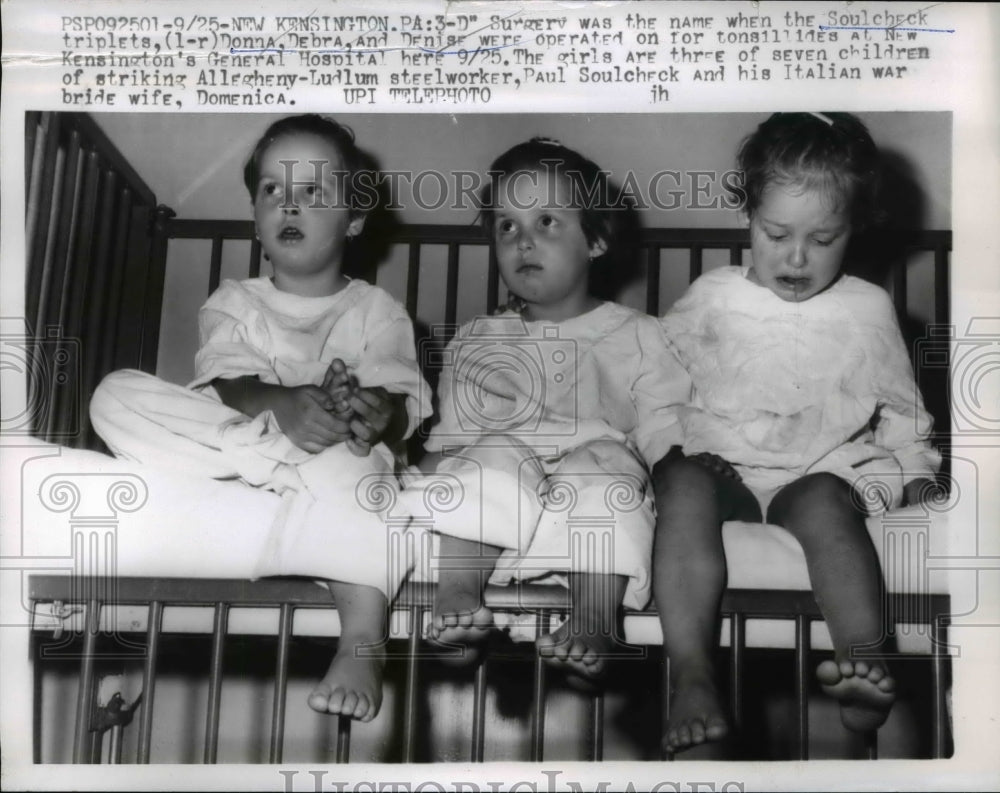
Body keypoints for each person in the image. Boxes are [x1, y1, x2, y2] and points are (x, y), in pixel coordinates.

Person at [90, 114, 431, 722]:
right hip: (244, 453)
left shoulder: (378, 310)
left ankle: (360, 640)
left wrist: (372, 414)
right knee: (114, 393)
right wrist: (285, 410)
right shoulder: (234, 300)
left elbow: (400, 406)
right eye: (273, 190)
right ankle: (279, 460)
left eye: (312, 192)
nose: (288, 205)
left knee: (362, 473)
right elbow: (226, 383)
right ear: (256, 215)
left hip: (333, 466)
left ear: (354, 219)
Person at [652, 112, 941, 754]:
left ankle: (864, 664)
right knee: (681, 483)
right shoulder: (711, 297)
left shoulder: (866, 308)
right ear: (746, 216)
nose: (796, 257)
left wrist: (917, 473)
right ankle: (693, 674)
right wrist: (661, 451)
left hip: (815, 468)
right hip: (723, 463)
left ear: (855, 229)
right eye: (776, 233)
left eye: (823, 237)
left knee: (824, 504)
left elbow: (900, 406)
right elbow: (659, 383)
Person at [407, 138, 689, 685]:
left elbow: (666, 431)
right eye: (506, 226)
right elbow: (453, 443)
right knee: (486, 458)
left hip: (595, 471)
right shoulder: (478, 338)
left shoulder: (639, 334)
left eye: (546, 221)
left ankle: (592, 619)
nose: (523, 241)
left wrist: (682, 479)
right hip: (506, 483)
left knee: (607, 468)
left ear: (598, 240)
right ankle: (458, 599)